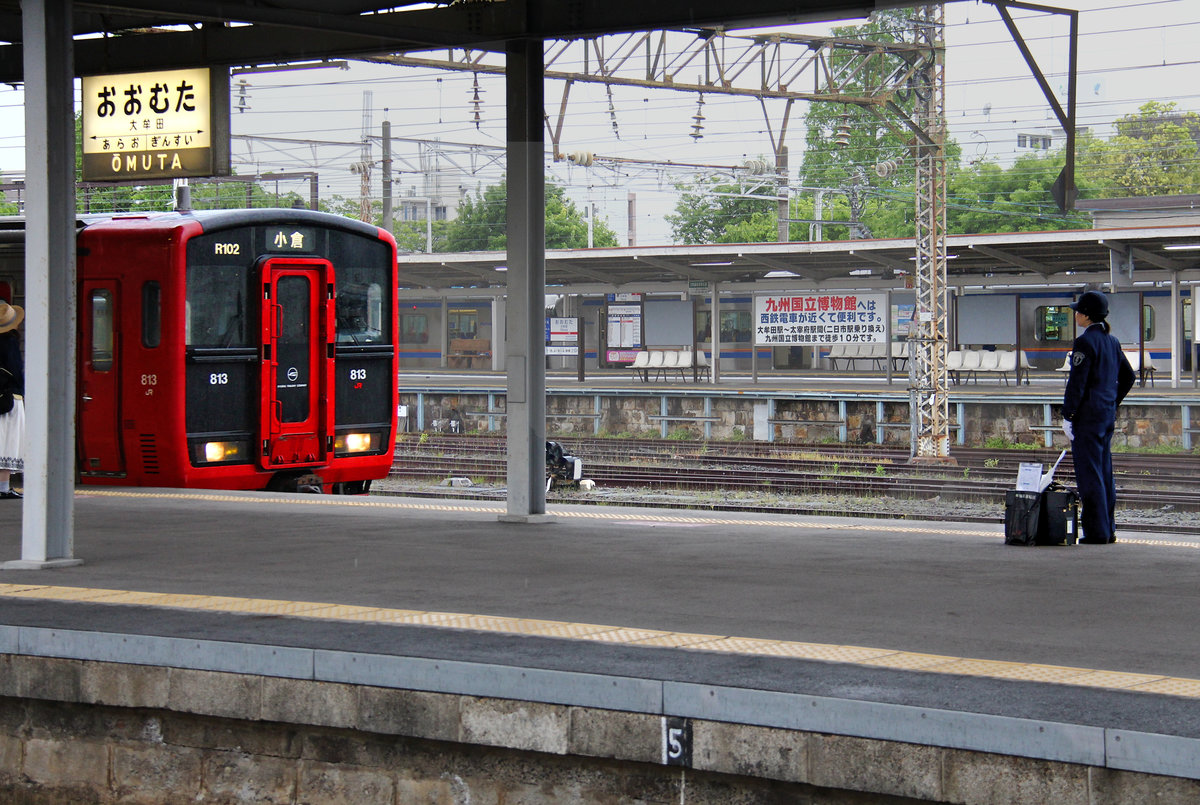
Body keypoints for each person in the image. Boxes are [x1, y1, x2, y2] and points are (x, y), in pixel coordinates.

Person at [1061, 290, 1135, 544]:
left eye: (1078, 311)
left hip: (1088, 420)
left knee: (1089, 475)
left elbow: (1077, 384)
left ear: (1086, 315)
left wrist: (1067, 415)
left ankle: (1096, 533)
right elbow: (1129, 377)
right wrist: (1112, 402)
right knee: (1104, 473)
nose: (1076, 315)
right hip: (1105, 416)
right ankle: (1109, 529)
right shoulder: (1111, 341)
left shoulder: (1084, 342)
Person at [0, 299, 24, 499]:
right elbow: (16, 372)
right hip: (10, 398)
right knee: (8, 442)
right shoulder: (10, 342)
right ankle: (3, 488)